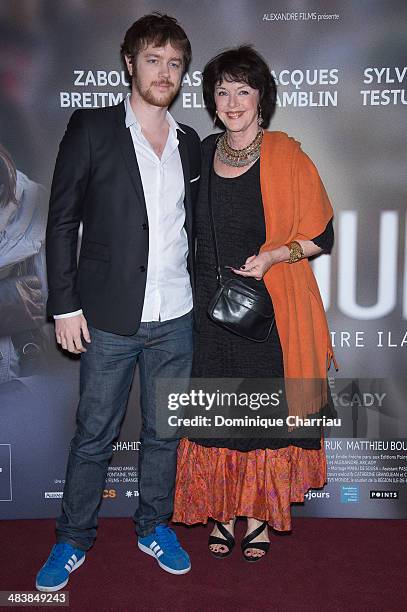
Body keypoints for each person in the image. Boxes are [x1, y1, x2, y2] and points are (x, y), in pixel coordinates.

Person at [35, 13, 201, 591]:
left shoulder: (189, 142)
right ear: (129, 62)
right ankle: (73, 537)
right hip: (107, 317)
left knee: (164, 432)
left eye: (175, 63)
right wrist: (65, 303)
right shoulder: (92, 128)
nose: (165, 72)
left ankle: (153, 524)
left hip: (177, 315)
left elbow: (191, 230)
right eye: (153, 60)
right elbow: (61, 223)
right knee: (95, 434)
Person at [173, 46, 337, 561]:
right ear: (211, 101)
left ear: (262, 98)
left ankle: (260, 517)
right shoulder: (199, 153)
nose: (233, 100)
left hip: (270, 315)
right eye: (222, 91)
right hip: (207, 313)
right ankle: (222, 515)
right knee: (217, 420)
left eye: (244, 90)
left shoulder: (287, 155)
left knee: (263, 421)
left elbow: (322, 237)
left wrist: (273, 258)